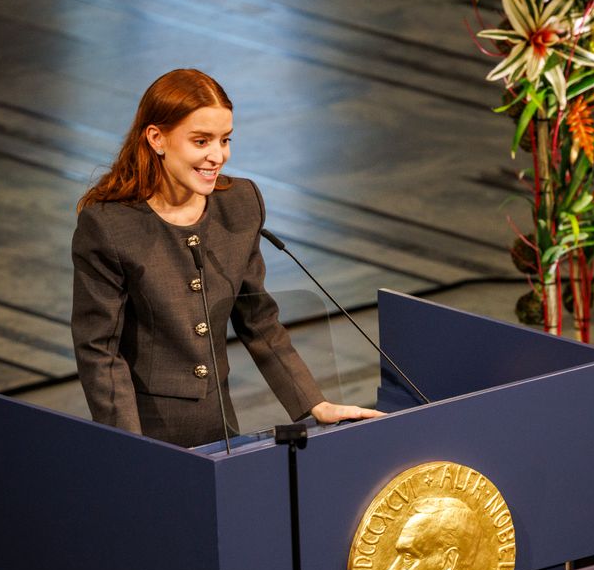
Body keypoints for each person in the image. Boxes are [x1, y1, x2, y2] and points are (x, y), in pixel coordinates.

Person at [71, 68, 382, 447]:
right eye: (201, 141)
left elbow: (258, 321)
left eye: (225, 140)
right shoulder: (110, 226)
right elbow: (100, 352)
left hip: (221, 427)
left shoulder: (240, 204)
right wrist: (131, 450)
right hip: (147, 432)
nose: (217, 156)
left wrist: (313, 404)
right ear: (157, 138)